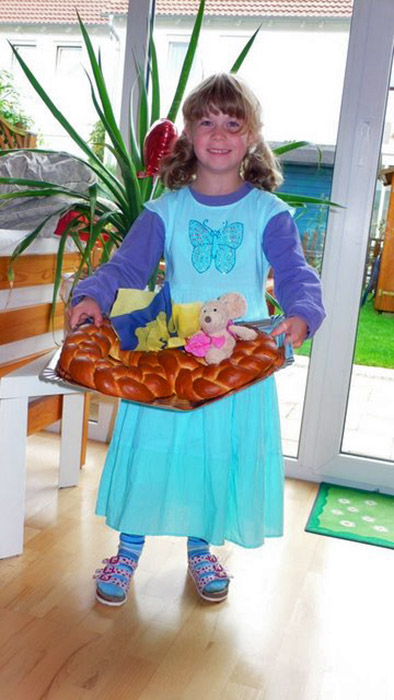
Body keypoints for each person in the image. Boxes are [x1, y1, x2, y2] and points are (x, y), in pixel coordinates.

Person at [68, 73, 325, 606]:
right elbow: (126, 268)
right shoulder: (166, 210)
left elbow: (296, 273)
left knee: (215, 453)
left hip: (238, 363)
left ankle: (201, 547)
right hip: (172, 356)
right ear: (188, 133)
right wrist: (92, 295)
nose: (219, 133)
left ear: (252, 137)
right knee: (155, 450)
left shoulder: (268, 213)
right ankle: (128, 549)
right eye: (206, 121)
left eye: (233, 122)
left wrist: (302, 312)